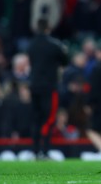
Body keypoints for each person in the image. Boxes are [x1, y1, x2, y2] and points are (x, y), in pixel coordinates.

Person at [27, 18, 68, 159]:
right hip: (49, 87)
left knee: (36, 119)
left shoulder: (31, 45)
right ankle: (44, 150)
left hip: (34, 86)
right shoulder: (54, 45)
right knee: (49, 118)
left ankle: (34, 150)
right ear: (48, 28)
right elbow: (65, 60)